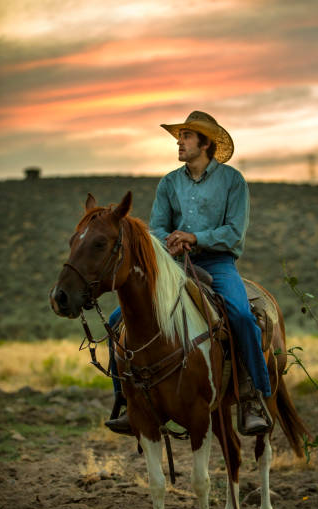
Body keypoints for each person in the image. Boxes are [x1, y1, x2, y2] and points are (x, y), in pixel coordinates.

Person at [105, 110, 271, 436]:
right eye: (179, 136)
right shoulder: (169, 183)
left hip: (218, 263)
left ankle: (253, 398)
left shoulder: (232, 181)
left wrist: (195, 237)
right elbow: (158, 228)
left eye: (186, 136)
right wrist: (171, 243)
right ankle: (125, 401)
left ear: (205, 143)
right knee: (116, 321)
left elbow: (235, 231)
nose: (179, 142)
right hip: (175, 266)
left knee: (240, 315)